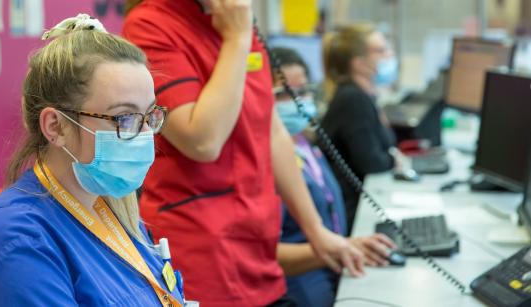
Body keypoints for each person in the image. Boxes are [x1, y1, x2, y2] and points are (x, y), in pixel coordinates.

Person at [123, 1, 366, 306]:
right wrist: (237, 40)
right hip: (203, 259)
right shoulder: (152, 25)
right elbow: (203, 141)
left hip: (258, 250)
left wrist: (315, 230)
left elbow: (273, 132)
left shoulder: (234, 20)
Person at [0, 14, 184, 306]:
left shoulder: (111, 210)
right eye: (124, 118)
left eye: (149, 117)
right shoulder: (16, 242)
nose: (145, 135)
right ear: (56, 127)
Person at [270, 47, 397, 307]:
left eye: (303, 90)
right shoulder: (263, 163)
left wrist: (346, 245)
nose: (297, 100)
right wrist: (336, 249)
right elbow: (262, 254)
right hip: (298, 290)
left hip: (332, 274)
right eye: (284, 93)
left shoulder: (307, 146)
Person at [320, 23, 401, 232]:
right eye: (381, 50)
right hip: (351, 214)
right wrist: (395, 160)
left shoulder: (362, 94)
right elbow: (372, 162)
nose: (389, 55)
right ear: (358, 62)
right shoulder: (353, 100)